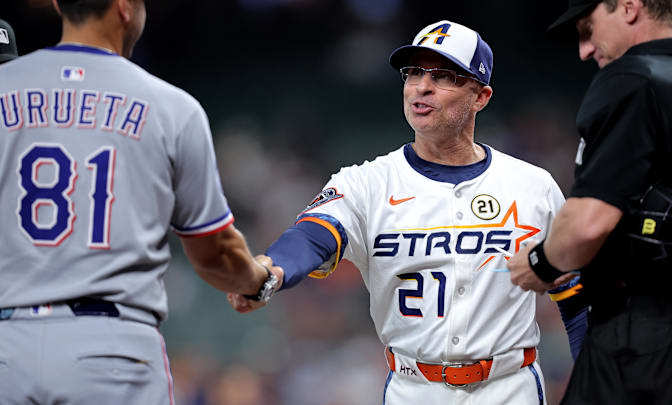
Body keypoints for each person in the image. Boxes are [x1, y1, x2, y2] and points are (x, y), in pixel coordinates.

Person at [228, 20, 580, 404]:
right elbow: (313, 234)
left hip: (510, 387)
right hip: (413, 388)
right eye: (413, 72)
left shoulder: (533, 186)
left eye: (443, 75)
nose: (421, 86)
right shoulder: (366, 183)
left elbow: (575, 295)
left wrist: (593, 380)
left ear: (480, 96)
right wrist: (271, 271)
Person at [0, 0, 281, 403]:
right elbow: (214, 253)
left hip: (7, 344)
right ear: (124, 8)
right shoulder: (171, 107)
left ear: (61, 5)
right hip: (111, 348)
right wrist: (256, 281)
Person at [507, 0, 672, 404]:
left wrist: (541, 262)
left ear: (628, 7)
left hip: (643, 343)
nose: (585, 49)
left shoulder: (632, 78)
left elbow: (589, 222)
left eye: (589, 27)